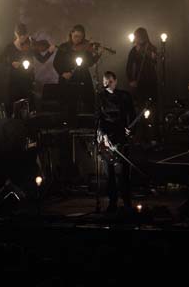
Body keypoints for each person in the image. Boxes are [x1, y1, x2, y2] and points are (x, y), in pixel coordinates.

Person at [95, 71, 136, 212]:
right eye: (105, 81)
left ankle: (127, 201)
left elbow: (132, 114)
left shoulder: (124, 96)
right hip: (107, 137)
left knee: (125, 171)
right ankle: (112, 202)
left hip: (121, 136)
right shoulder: (100, 97)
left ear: (116, 81)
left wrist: (130, 128)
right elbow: (99, 119)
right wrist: (104, 136)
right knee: (110, 172)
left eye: (110, 81)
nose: (107, 84)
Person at [1, 23, 55, 116]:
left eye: (24, 36)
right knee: (13, 102)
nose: (23, 38)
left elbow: (42, 59)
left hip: (27, 79)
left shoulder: (30, 46)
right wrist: (12, 63)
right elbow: (1, 59)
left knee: (29, 103)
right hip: (14, 80)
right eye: (20, 36)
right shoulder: (10, 47)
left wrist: (49, 52)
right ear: (16, 34)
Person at [53, 24, 102, 113]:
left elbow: (89, 63)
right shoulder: (64, 46)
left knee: (87, 100)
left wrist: (98, 55)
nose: (78, 39)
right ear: (71, 34)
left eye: (80, 37)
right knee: (68, 103)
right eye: (75, 36)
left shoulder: (86, 47)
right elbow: (56, 63)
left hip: (82, 76)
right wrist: (63, 73)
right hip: (67, 78)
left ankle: (86, 122)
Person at [126, 27, 158, 106]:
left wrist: (146, 52)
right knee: (140, 103)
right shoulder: (134, 50)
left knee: (152, 103)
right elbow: (129, 66)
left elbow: (155, 61)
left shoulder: (151, 48)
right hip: (139, 80)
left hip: (150, 78)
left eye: (137, 36)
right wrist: (131, 80)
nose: (136, 39)